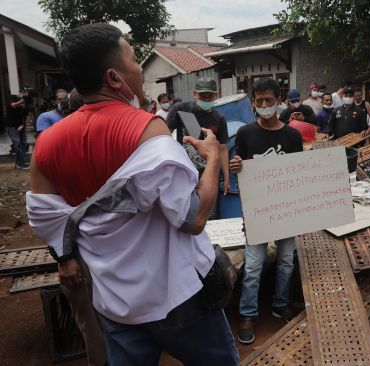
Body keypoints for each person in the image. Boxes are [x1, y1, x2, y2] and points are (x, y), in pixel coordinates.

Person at [26, 23, 239, 365]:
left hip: (113, 300)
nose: (140, 68)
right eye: (135, 60)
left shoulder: (46, 146)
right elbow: (193, 218)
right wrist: (213, 159)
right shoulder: (147, 130)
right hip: (176, 296)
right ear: (114, 78)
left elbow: (48, 223)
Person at [228, 78, 303, 344]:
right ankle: (248, 313)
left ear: (277, 99)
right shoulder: (246, 134)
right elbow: (241, 167)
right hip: (257, 211)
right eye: (258, 101)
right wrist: (236, 166)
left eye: (268, 100)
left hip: (286, 210)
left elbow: (300, 174)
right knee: (254, 266)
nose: (263, 105)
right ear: (253, 103)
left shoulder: (293, 136)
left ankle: (280, 303)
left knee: (285, 262)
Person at [166, 77, 231, 195]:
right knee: (187, 208)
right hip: (185, 172)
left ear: (216, 95)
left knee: (209, 211)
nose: (206, 100)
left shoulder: (219, 118)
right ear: (194, 94)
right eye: (202, 96)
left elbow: (222, 149)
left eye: (209, 96)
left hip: (210, 174)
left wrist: (227, 179)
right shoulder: (180, 109)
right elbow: (165, 136)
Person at [6, 89, 30, 169]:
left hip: (21, 126)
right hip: (12, 126)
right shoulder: (12, 97)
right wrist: (23, 100)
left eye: (26, 93)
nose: (25, 94)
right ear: (19, 92)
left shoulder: (25, 102)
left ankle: (22, 162)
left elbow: (26, 115)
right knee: (17, 144)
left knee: (23, 143)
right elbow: (13, 105)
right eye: (23, 92)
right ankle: (22, 164)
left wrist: (23, 125)